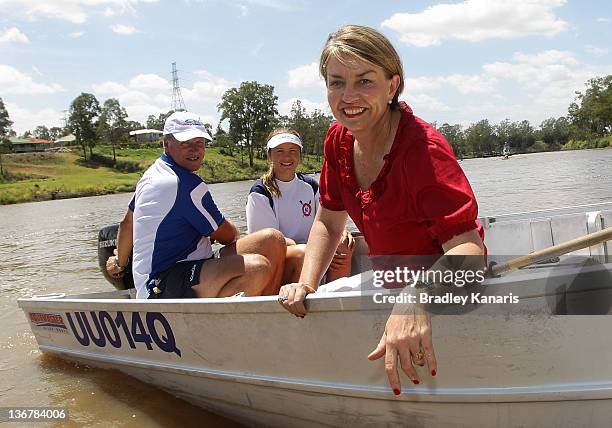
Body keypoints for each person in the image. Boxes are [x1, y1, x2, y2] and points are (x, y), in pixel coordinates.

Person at [277, 25, 485, 394]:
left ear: (393, 85)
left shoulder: (423, 151)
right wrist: (307, 283)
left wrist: (416, 299)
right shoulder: (337, 140)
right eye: (336, 82)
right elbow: (327, 219)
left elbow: (470, 252)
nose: (348, 96)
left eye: (365, 81)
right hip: (391, 284)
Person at [106, 111, 286, 299]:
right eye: (186, 144)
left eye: (199, 143)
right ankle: (240, 319)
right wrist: (215, 232)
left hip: (191, 265)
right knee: (257, 268)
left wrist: (120, 262)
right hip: (161, 284)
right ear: (166, 144)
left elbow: (127, 223)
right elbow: (228, 235)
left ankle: (270, 306)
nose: (195, 150)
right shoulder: (184, 184)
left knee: (273, 239)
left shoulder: (154, 174)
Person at [246, 128, 354, 283]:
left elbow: (328, 219)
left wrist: (341, 231)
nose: (287, 157)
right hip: (282, 257)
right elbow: (268, 245)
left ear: (300, 155)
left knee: (344, 244)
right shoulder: (260, 193)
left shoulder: (310, 185)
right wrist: (313, 249)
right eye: (280, 151)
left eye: (292, 150)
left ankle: (334, 295)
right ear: (269, 155)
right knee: (302, 254)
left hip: (309, 249)